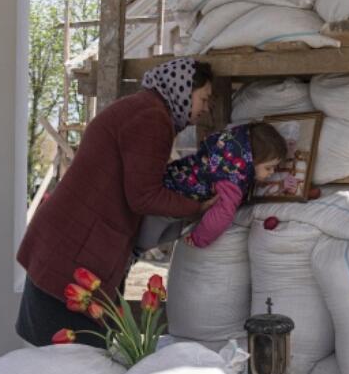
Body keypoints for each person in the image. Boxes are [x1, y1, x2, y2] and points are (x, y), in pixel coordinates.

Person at [16, 56, 217, 348]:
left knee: (53, 349)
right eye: (204, 98)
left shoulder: (141, 107)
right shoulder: (152, 118)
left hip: (67, 236)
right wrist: (197, 208)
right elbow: (145, 195)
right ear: (184, 89)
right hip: (79, 244)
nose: (206, 109)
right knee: (73, 355)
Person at [165, 122, 288, 248]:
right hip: (170, 200)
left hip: (170, 177)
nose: (272, 173)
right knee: (149, 238)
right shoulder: (232, 180)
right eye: (268, 168)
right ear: (251, 161)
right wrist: (199, 238)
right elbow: (223, 213)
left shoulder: (224, 154)